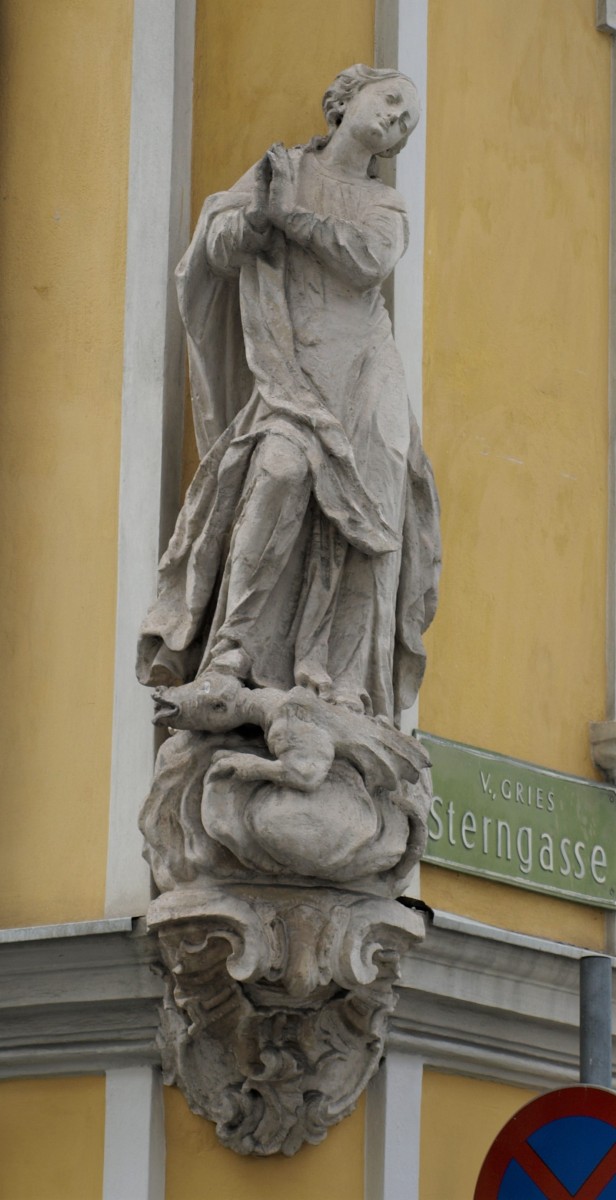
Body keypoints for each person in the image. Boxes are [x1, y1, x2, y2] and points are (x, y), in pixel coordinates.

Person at [137, 64, 440, 723]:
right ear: (349, 96)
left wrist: (291, 220)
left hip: (363, 370)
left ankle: (341, 676)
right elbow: (216, 244)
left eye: (406, 120)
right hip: (290, 370)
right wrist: (254, 223)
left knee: (373, 520)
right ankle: (230, 652)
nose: (396, 119)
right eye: (390, 101)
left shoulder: (384, 204)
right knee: (279, 470)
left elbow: (367, 260)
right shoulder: (282, 169)